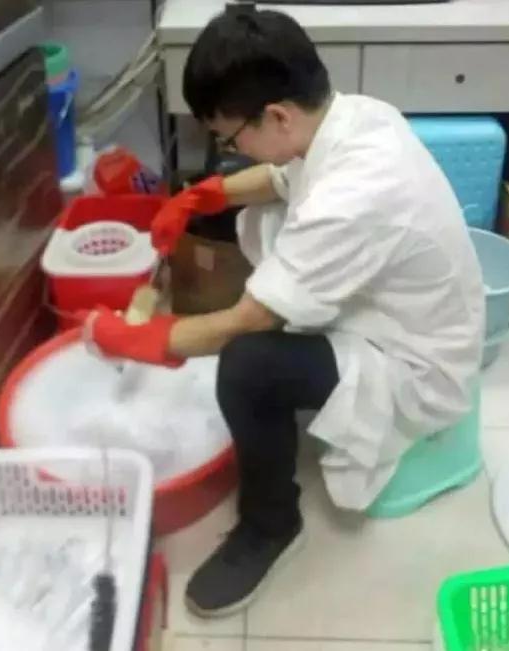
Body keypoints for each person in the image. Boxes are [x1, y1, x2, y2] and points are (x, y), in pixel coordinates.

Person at [85, 8, 485, 619]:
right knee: (258, 220)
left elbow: (248, 321)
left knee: (247, 366)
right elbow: (282, 176)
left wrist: (146, 340)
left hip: (414, 363)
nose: (231, 150)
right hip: (406, 307)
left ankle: (271, 524)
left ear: (277, 115)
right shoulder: (353, 116)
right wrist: (199, 197)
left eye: (230, 137)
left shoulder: (354, 196)